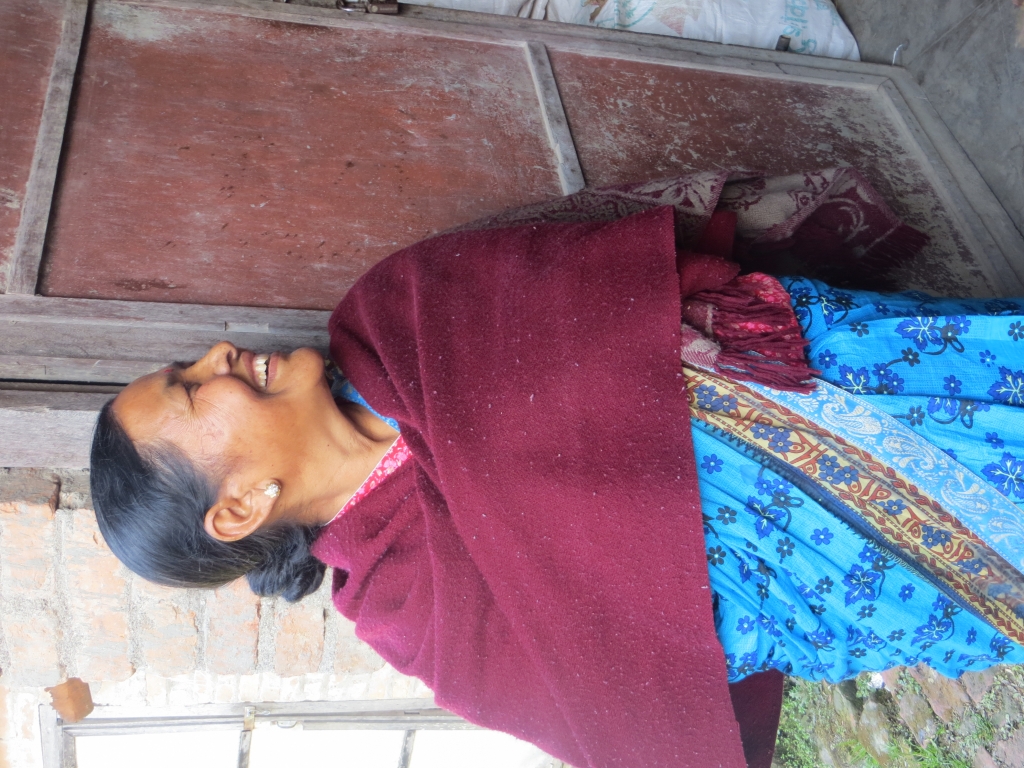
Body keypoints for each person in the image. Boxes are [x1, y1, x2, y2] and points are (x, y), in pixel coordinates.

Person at [89, 170, 1024, 768]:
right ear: (239, 508)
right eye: (190, 390)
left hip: (844, 374)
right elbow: (621, 697)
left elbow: (594, 272)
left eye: (187, 362)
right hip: (826, 570)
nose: (217, 353)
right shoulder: (408, 613)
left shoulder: (392, 314)